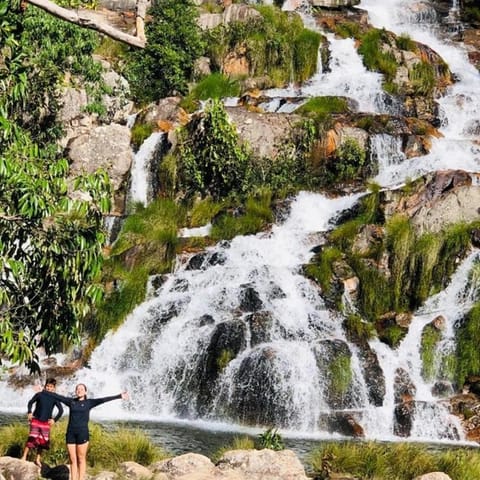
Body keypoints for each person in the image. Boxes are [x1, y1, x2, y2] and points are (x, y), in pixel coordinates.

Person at [43, 383, 128, 480]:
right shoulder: (71, 402)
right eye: (77, 389)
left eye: (81, 389)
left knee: (81, 459)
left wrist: (119, 396)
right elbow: (57, 396)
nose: (79, 390)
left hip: (82, 433)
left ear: (85, 391)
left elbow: (103, 400)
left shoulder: (89, 402)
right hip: (70, 433)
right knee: (72, 459)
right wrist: (43, 391)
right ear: (75, 391)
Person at [21, 377, 64, 465]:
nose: (49, 388)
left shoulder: (55, 398)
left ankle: (37, 459)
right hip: (36, 420)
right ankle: (24, 456)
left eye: (51, 387)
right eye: (47, 386)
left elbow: (61, 410)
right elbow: (30, 402)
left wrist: (54, 420)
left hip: (46, 423)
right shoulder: (39, 394)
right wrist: (29, 412)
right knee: (31, 438)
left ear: (54, 388)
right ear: (45, 386)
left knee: (43, 442)